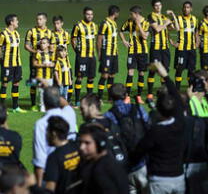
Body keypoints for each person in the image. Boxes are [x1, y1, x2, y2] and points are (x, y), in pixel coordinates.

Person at [132, 61, 187, 194]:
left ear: (157, 110)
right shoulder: (180, 123)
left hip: (159, 181)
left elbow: (138, 153)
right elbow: (177, 99)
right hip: (179, 178)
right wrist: (165, 75)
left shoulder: (155, 131)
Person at [105, 84, 149, 194]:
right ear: (126, 95)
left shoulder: (108, 116)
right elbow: (149, 129)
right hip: (142, 162)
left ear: (110, 98)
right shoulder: (139, 109)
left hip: (123, 166)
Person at [32, 85, 77, 186]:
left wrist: (39, 188)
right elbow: (65, 103)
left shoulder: (42, 123)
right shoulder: (70, 112)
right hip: (73, 169)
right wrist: (49, 88)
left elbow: (40, 159)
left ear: (44, 101)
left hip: (52, 174)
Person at [75, 123, 129, 194]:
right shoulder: (100, 163)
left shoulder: (102, 170)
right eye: (80, 142)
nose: (81, 147)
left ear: (100, 143)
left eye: (87, 143)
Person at [146, 0, 178, 102]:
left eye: (159, 5)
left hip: (165, 48)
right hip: (156, 47)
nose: (158, 7)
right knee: (153, 70)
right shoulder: (151, 16)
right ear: (153, 7)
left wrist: (172, 15)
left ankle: (163, 93)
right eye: (156, 5)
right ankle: (150, 94)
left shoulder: (164, 17)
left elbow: (176, 28)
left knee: (165, 70)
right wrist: (165, 23)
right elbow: (157, 29)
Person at [120, 5, 150, 102]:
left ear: (136, 14)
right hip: (132, 51)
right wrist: (124, 41)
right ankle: (127, 96)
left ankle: (138, 96)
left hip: (143, 52)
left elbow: (145, 36)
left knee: (141, 73)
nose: (130, 15)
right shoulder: (129, 22)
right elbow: (121, 31)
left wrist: (139, 25)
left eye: (131, 14)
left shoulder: (146, 23)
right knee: (130, 72)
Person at [43, 116, 80, 194]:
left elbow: (50, 188)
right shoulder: (77, 147)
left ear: (54, 134)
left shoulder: (54, 158)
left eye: (46, 131)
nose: (45, 135)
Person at [24, 13, 54, 109]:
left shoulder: (50, 33)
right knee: (33, 80)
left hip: (46, 59)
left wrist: (49, 53)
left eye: (40, 19)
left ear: (45, 20)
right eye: (37, 19)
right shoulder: (31, 31)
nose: (38, 21)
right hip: (35, 58)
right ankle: (33, 104)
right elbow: (26, 45)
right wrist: (35, 51)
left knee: (47, 79)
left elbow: (52, 46)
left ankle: (46, 102)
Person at [0, 14, 25, 113]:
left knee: (16, 83)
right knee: (5, 84)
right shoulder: (3, 34)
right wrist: (1, 61)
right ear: (11, 22)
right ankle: (2, 108)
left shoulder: (17, 34)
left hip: (17, 63)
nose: (18, 22)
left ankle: (15, 107)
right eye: (16, 21)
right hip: (7, 63)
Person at [71, 7, 98, 106]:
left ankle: (89, 100)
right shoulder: (78, 25)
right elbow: (73, 39)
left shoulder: (94, 26)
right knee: (80, 77)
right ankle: (77, 101)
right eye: (88, 14)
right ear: (84, 14)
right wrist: (77, 52)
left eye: (91, 14)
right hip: (82, 57)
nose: (89, 16)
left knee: (91, 78)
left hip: (91, 56)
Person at [171, 1, 198, 89]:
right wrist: (171, 41)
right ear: (182, 9)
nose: (186, 9)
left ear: (191, 9)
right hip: (181, 49)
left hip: (192, 49)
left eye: (188, 7)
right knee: (180, 69)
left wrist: (197, 42)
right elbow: (167, 28)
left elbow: (196, 32)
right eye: (185, 7)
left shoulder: (194, 19)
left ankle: (190, 89)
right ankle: (177, 89)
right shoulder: (178, 19)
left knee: (191, 70)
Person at [97, 5, 120, 100]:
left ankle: (110, 97)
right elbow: (99, 40)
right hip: (106, 53)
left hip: (114, 53)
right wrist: (99, 54)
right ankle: (100, 97)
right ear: (115, 13)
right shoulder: (105, 23)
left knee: (112, 75)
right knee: (105, 75)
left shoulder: (114, 23)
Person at [33, 38, 55, 112]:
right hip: (40, 75)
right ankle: (41, 106)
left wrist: (52, 64)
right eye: (41, 43)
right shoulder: (38, 53)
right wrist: (43, 65)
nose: (42, 45)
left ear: (48, 44)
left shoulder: (52, 54)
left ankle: (47, 105)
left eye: (44, 43)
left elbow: (55, 63)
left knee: (49, 92)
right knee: (41, 91)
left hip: (50, 76)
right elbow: (34, 64)